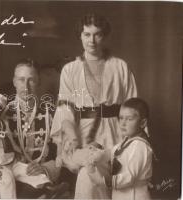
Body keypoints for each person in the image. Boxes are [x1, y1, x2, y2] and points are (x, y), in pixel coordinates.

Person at [50, 13, 138, 199]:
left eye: (97, 34)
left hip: (115, 132)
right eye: (87, 34)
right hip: (82, 134)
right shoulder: (70, 70)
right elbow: (65, 109)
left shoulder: (120, 66)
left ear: (104, 36)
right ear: (80, 36)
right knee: (88, 176)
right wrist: (73, 137)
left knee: (101, 177)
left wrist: (132, 142)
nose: (92, 40)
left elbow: (133, 108)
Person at [0, 59, 65, 198]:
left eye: (31, 80)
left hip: (37, 176)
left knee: (35, 188)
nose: (26, 86)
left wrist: (46, 168)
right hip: (7, 172)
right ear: (14, 82)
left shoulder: (51, 113)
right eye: (21, 80)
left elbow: (60, 152)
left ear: (39, 82)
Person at [87, 98, 153, 200]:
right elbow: (112, 152)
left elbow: (129, 177)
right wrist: (97, 155)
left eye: (129, 119)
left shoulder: (140, 146)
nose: (122, 123)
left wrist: (104, 181)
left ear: (143, 123)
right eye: (121, 118)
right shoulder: (126, 142)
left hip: (135, 195)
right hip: (122, 195)